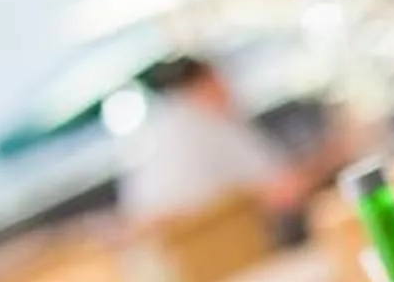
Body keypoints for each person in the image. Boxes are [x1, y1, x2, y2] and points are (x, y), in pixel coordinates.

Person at [116, 54, 320, 225]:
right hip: (238, 246)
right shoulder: (209, 125)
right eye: (219, 77)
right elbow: (286, 193)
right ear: (205, 82)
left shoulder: (155, 134)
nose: (229, 85)